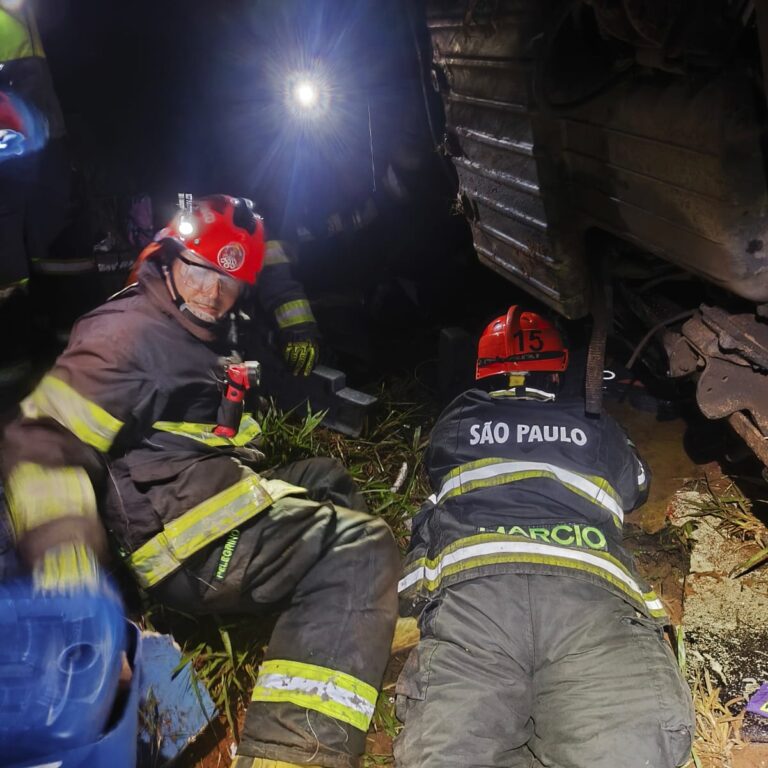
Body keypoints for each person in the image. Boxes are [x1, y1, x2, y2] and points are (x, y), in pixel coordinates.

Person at [0, 194, 399, 768]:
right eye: (199, 270)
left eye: (229, 281)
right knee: (361, 545)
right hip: (181, 540)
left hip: (199, 489)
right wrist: (76, 599)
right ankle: (293, 748)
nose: (212, 292)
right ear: (167, 257)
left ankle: (342, 619)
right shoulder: (126, 336)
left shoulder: (195, 322)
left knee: (325, 478)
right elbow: (42, 446)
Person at [394, 305, 694, 768]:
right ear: (558, 371)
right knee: (625, 748)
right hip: (591, 597)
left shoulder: (457, 420)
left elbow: (440, 469)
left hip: (475, 601)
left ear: (483, 371)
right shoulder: (596, 423)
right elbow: (637, 486)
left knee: (452, 750)